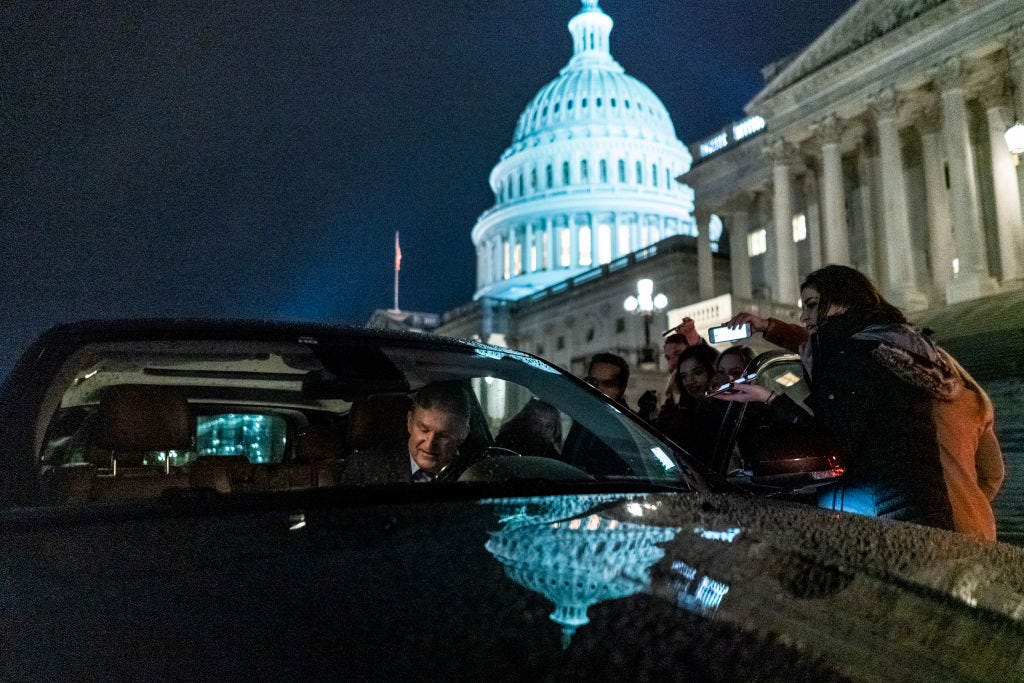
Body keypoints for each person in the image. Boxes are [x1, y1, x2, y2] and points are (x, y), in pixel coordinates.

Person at [726, 277, 1004, 540]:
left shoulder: (886, 382)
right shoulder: (969, 397)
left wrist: (774, 392)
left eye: (812, 306)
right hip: (975, 526)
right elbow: (993, 475)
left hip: (915, 530)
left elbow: (838, 364)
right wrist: (966, 500)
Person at [341, 381, 471, 484]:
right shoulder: (366, 468)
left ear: (463, 434)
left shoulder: (475, 474)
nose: (429, 445)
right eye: (424, 430)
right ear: (410, 422)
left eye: (443, 435)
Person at [654, 343, 721, 463]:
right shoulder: (685, 413)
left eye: (698, 373)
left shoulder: (726, 410)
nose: (690, 381)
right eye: (684, 376)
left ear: (713, 372)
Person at [494, 398, 562, 458]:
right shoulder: (506, 443)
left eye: (548, 426)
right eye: (536, 423)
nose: (542, 430)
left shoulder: (553, 457)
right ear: (525, 422)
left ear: (555, 430)